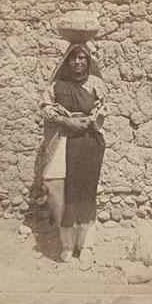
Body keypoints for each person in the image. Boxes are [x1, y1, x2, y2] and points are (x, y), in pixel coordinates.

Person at [32, 43, 107, 271]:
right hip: (62, 139)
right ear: (67, 61)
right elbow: (45, 107)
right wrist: (67, 121)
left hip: (86, 141)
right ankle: (66, 243)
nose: (78, 62)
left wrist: (89, 121)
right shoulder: (57, 86)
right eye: (73, 58)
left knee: (85, 191)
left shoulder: (96, 84)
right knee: (55, 186)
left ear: (88, 61)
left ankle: (84, 246)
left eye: (82, 58)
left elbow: (103, 109)